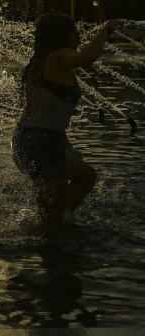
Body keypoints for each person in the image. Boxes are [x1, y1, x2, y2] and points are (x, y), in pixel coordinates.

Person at [12, 14, 122, 234]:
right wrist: (106, 30)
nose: (78, 36)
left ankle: (62, 219)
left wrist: (63, 138)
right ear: (65, 36)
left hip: (32, 139)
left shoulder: (39, 61)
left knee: (86, 176)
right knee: (50, 223)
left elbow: (41, 107)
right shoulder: (58, 57)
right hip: (42, 144)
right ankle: (50, 243)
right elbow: (89, 56)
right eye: (75, 32)